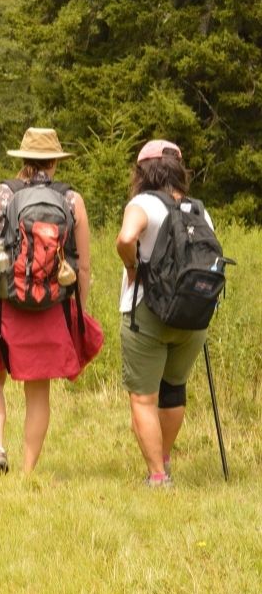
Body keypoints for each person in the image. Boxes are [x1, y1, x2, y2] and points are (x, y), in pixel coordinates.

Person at [0, 127, 98, 476]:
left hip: (6, 302)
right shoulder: (72, 200)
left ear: (23, 158)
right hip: (51, 306)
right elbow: (83, 265)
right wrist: (78, 310)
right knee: (38, 391)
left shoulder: (2, 195)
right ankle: (27, 472)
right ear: (55, 161)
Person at [116, 139, 212, 487]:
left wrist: (132, 268)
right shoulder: (199, 209)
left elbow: (126, 238)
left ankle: (157, 476)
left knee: (144, 397)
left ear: (143, 171)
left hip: (148, 312)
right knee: (174, 389)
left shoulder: (142, 203)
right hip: (193, 315)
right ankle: (165, 460)